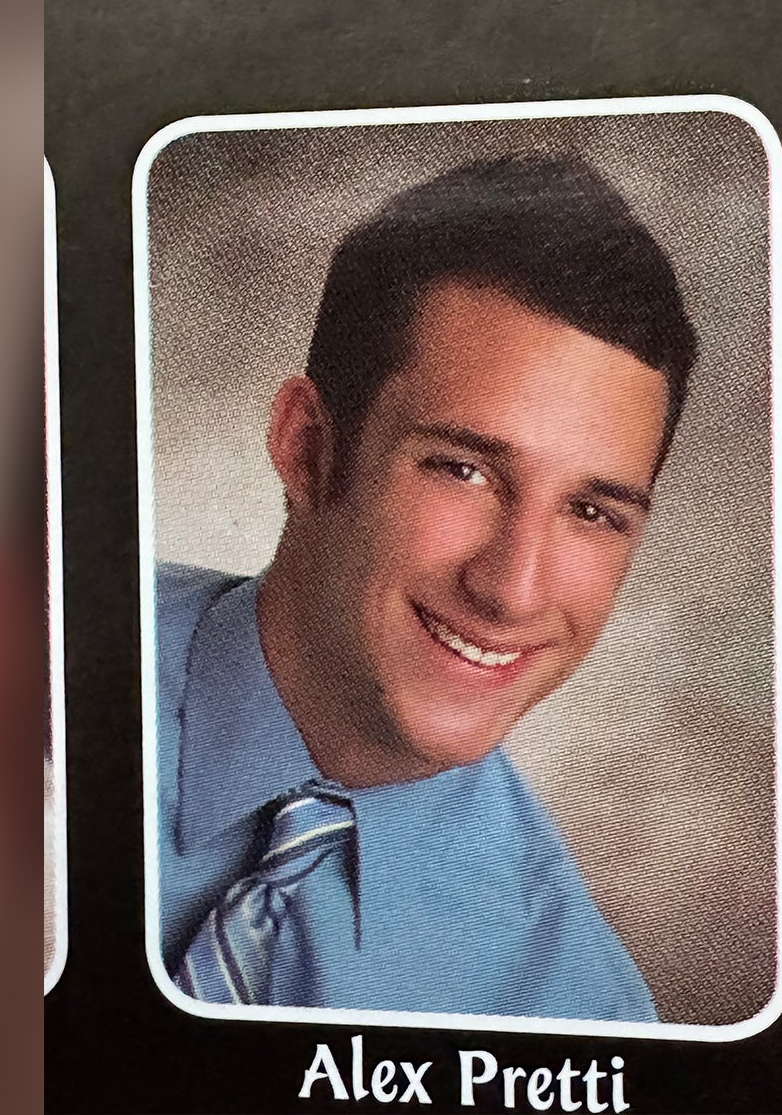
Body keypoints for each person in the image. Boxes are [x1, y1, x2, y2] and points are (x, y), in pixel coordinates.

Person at [154, 152, 698, 1022]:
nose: (514, 591)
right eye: (463, 470)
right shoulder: (25, 674)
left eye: (593, 512)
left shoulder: (577, 1011)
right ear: (308, 448)